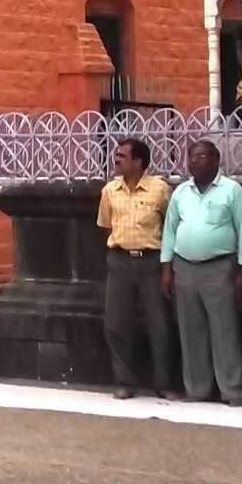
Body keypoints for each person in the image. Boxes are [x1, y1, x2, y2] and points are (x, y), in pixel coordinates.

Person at [160, 139, 242, 407]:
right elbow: (170, 230)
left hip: (219, 267)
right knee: (191, 331)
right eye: (191, 157)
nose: (193, 162)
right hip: (184, 266)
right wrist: (167, 269)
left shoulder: (232, 191)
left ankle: (232, 390)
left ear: (215, 160)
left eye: (200, 157)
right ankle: (197, 388)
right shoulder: (181, 193)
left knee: (225, 330)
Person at [96, 137, 172, 399]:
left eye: (122, 156)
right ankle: (124, 381)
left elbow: (170, 225)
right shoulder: (109, 191)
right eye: (116, 155)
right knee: (116, 324)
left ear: (139, 161)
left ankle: (163, 383)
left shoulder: (159, 189)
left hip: (151, 261)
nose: (116, 159)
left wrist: (166, 267)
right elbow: (106, 225)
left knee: (159, 325)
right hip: (119, 260)